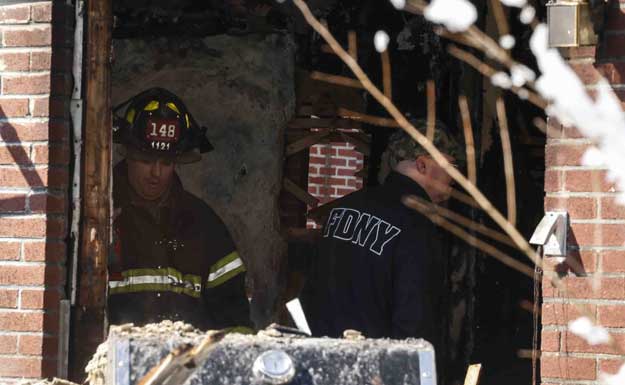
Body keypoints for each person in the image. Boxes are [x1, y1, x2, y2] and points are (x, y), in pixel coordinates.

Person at [301, 119, 463, 346]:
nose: (455, 177)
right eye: (451, 166)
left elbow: (310, 293)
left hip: (320, 359)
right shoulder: (417, 224)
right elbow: (413, 322)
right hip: (377, 369)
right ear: (423, 165)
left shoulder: (343, 208)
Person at [108, 87, 252, 332]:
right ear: (127, 155)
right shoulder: (99, 215)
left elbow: (233, 314)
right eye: (146, 160)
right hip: (117, 363)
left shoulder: (202, 222)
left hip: (186, 362)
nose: (156, 173)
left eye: (166, 162)